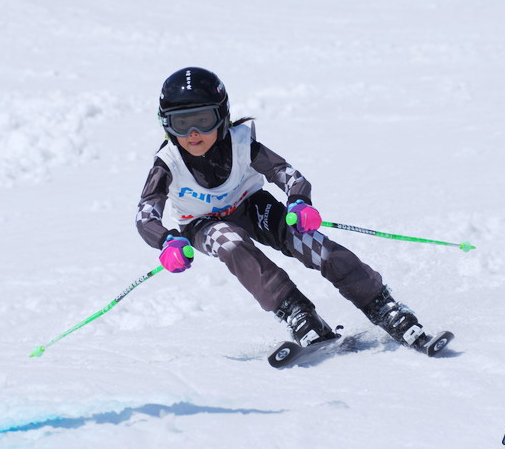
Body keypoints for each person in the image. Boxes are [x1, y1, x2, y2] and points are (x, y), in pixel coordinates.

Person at [136, 67, 432, 349]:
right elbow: (145, 215)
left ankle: (382, 304)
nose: (193, 133)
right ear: (166, 125)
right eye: (181, 123)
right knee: (231, 243)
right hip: (202, 224)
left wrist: (299, 201)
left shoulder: (241, 144)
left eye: (203, 119)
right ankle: (297, 312)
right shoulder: (168, 163)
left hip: (251, 206)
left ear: (222, 116)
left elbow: (288, 174)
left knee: (307, 240)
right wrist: (166, 241)